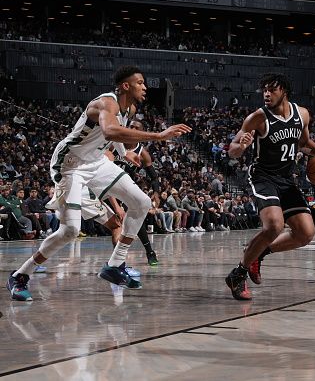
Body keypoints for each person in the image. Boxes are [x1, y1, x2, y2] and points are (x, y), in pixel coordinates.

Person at [6, 65, 191, 301]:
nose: (145, 87)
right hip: (70, 164)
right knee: (70, 230)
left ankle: (115, 265)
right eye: (140, 83)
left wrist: (123, 154)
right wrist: (158, 136)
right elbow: (111, 130)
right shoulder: (106, 102)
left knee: (141, 202)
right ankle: (21, 275)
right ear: (126, 85)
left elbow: (118, 132)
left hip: (95, 162)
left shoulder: (130, 108)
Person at [225, 73, 315, 300]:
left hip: (287, 180)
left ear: (284, 91)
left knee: (305, 233)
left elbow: (303, 144)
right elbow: (232, 150)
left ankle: (258, 253)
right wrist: (242, 147)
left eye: (272, 90)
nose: (267, 94)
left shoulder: (302, 115)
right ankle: (238, 275)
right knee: (274, 226)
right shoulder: (257, 118)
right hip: (263, 177)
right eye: (264, 90)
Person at [109, 118, 160, 265]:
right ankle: (118, 262)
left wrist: (156, 192)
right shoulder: (115, 144)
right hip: (108, 185)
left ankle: (149, 251)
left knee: (135, 216)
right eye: (131, 126)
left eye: (137, 128)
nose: (134, 129)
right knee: (117, 224)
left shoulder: (142, 153)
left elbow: (154, 177)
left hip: (125, 187)